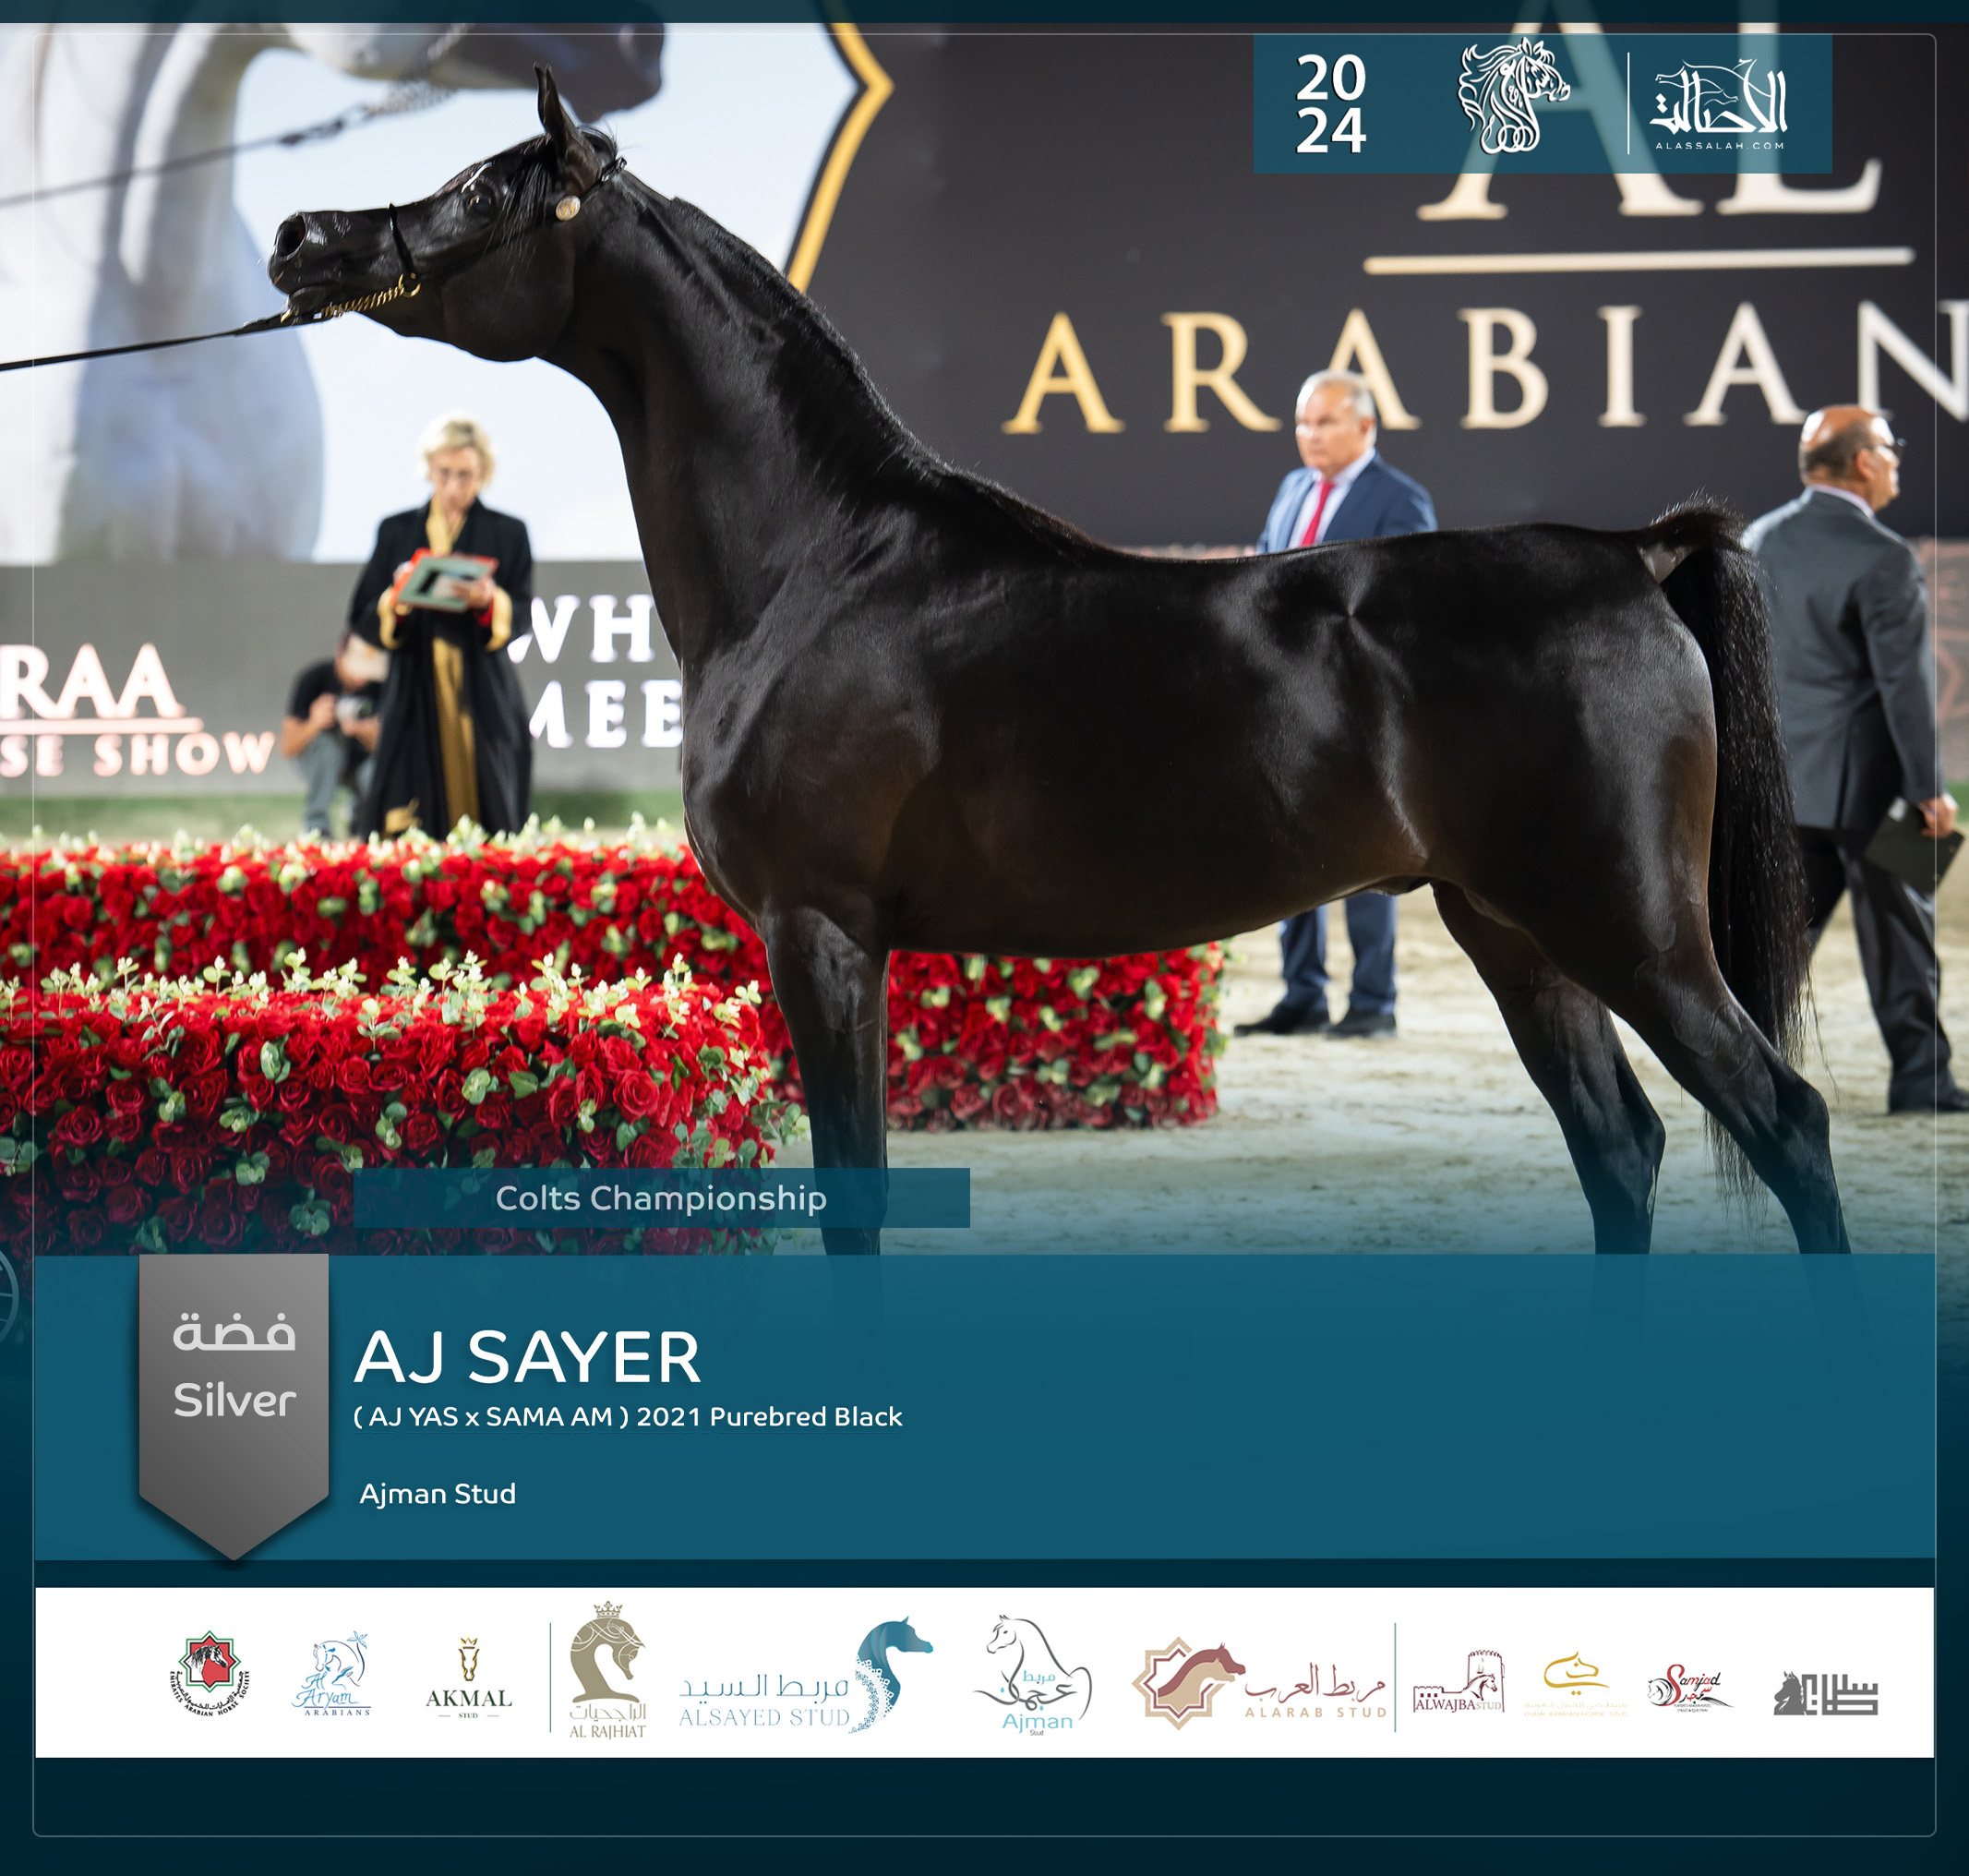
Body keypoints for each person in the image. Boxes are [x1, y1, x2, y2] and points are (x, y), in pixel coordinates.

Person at [1745, 404, 1964, 1114]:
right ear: (1864, 462)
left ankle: (1744, 1079)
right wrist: (1929, 790)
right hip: (1875, 789)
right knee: (1904, 934)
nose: (1897, 461)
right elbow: (1906, 688)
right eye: (1890, 449)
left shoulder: (1756, 539)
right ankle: (1921, 1082)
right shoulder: (1885, 556)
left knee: (1776, 946)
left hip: (1778, 784)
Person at [1235, 370, 1438, 1040]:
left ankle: (1373, 1002)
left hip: (1360, 710)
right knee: (1290, 850)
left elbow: (1409, 605)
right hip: (1287, 703)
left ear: (1365, 427)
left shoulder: (1400, 500)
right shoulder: (1293, 489)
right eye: (1302, 423)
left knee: (1367, 855)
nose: (1309, 435)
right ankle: (1303, 996)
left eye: (1324, 422)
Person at [349, 414, 535, 836]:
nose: (453, 486)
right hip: (414, 685)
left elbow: (523, 615)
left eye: (465, 475)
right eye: (443, 473)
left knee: (494, 808)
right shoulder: (397, 531)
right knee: (406, 811)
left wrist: (490, 601)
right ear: (429, 469)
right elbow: (360, 614)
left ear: (483, 473)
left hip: (483, 688)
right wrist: (396, 601)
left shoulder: (508, 533)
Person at [280, 631, 388, 836]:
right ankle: (316, 826)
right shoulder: (314, 679)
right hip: (320, 763)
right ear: (340, 655)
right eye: (358, 666)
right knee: (329, 749)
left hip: (359, 765)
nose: (362, 676)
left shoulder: (378, 685)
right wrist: (314, 723)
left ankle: (366, 819)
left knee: (376, 766)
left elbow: (387, 748)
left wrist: (361, 729)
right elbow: (287, 747)